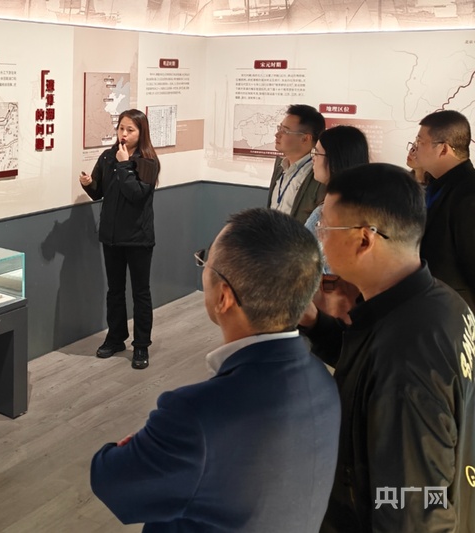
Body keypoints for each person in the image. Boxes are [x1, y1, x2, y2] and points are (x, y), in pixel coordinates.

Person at [91, 208, 341, 532]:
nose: (203, 269)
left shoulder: (195, 415)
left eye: (205, 262)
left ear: (224, 297)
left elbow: (110, 479)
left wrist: (148, 442)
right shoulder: (323, 381)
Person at [299, 163, 475, 532]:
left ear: (364, 240)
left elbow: (415, 517)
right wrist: (317, 324)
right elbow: (371, 366)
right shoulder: (440, 301)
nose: (319, 237)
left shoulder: (406, 366)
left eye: (325, 227)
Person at [79, 109, 160, 369]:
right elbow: (99, 192)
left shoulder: (148, 161)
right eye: (121, 128)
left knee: (140, 292)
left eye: (130, 130)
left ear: (141, 133)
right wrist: (88, 183)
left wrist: (125, 165)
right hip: (111, 237)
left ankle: (141, 345)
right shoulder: (108, 156)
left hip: (138, 238)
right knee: (114, 291)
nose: (123, 134)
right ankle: (115, 338)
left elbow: (136, 195)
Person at [304, 125, 370, 322]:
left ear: (335, 159)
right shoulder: (365, 202)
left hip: (333, 309)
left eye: (317, 153)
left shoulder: (333, 211)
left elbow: (305, 255)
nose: (312, 158)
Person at [411, 109, 475, 309]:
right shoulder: (438, 184)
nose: (415, 148)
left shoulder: (468, 195)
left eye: (420, 142)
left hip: (456, 310)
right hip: (433, 305)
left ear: (443, 149)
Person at [266, 104, 326, 224]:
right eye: (279, 128)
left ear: (305, 138)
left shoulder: (319, 174)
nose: (277, 134)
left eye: (285, 131)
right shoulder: (281, 166)